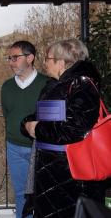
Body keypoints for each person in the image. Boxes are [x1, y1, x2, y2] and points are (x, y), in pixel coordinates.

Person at [22, 38, 106, 218]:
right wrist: (27, 124)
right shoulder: (56, 84)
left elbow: (73, 128)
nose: (44, 62)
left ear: (61, 62)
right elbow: (41, 117)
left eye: (48, 58)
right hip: (53, 170)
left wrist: (37, 130)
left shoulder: (82, 84)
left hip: (71, 174)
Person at [0, 41, 49, 218]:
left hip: (41, 148)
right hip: (14, 147)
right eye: (9, 58)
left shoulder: (47, 84)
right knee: (21, 193)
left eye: (15, 57)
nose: (11, 62)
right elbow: (7, 113)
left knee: (44, 192)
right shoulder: (6, 87)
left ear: (30, 58)